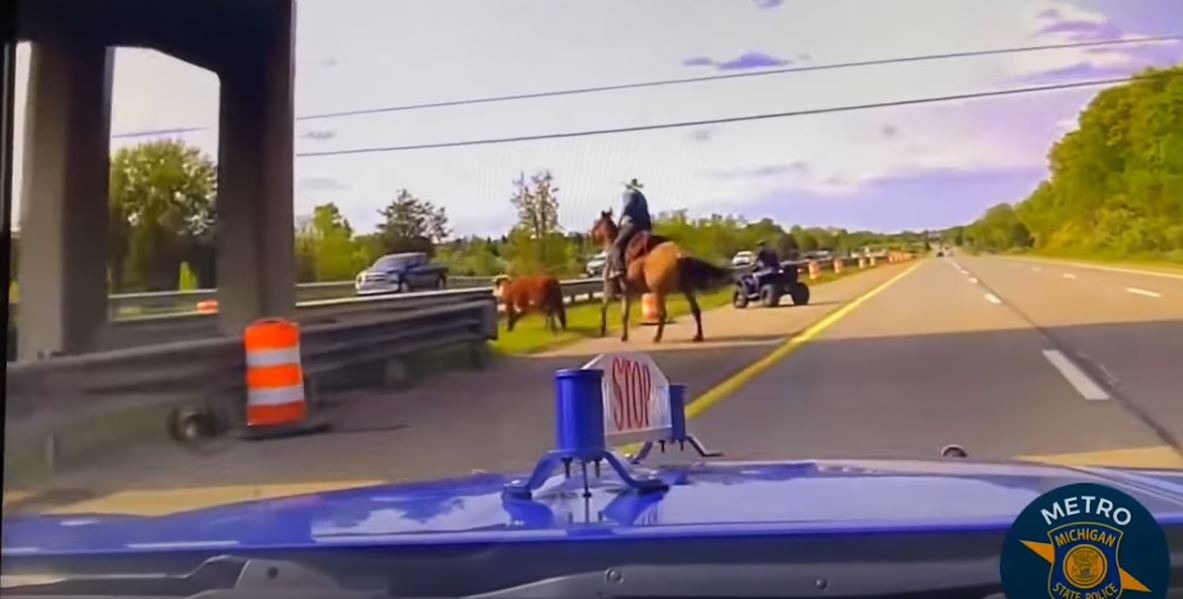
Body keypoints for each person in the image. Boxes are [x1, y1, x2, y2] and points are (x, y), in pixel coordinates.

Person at [608, 178, 653, 280]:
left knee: (616, 245)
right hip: (647, 225)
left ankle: (619, 269)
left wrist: (619, 220)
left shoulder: (628, 193)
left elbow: (626, 207)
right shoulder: (641, 195)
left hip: (634, 224)